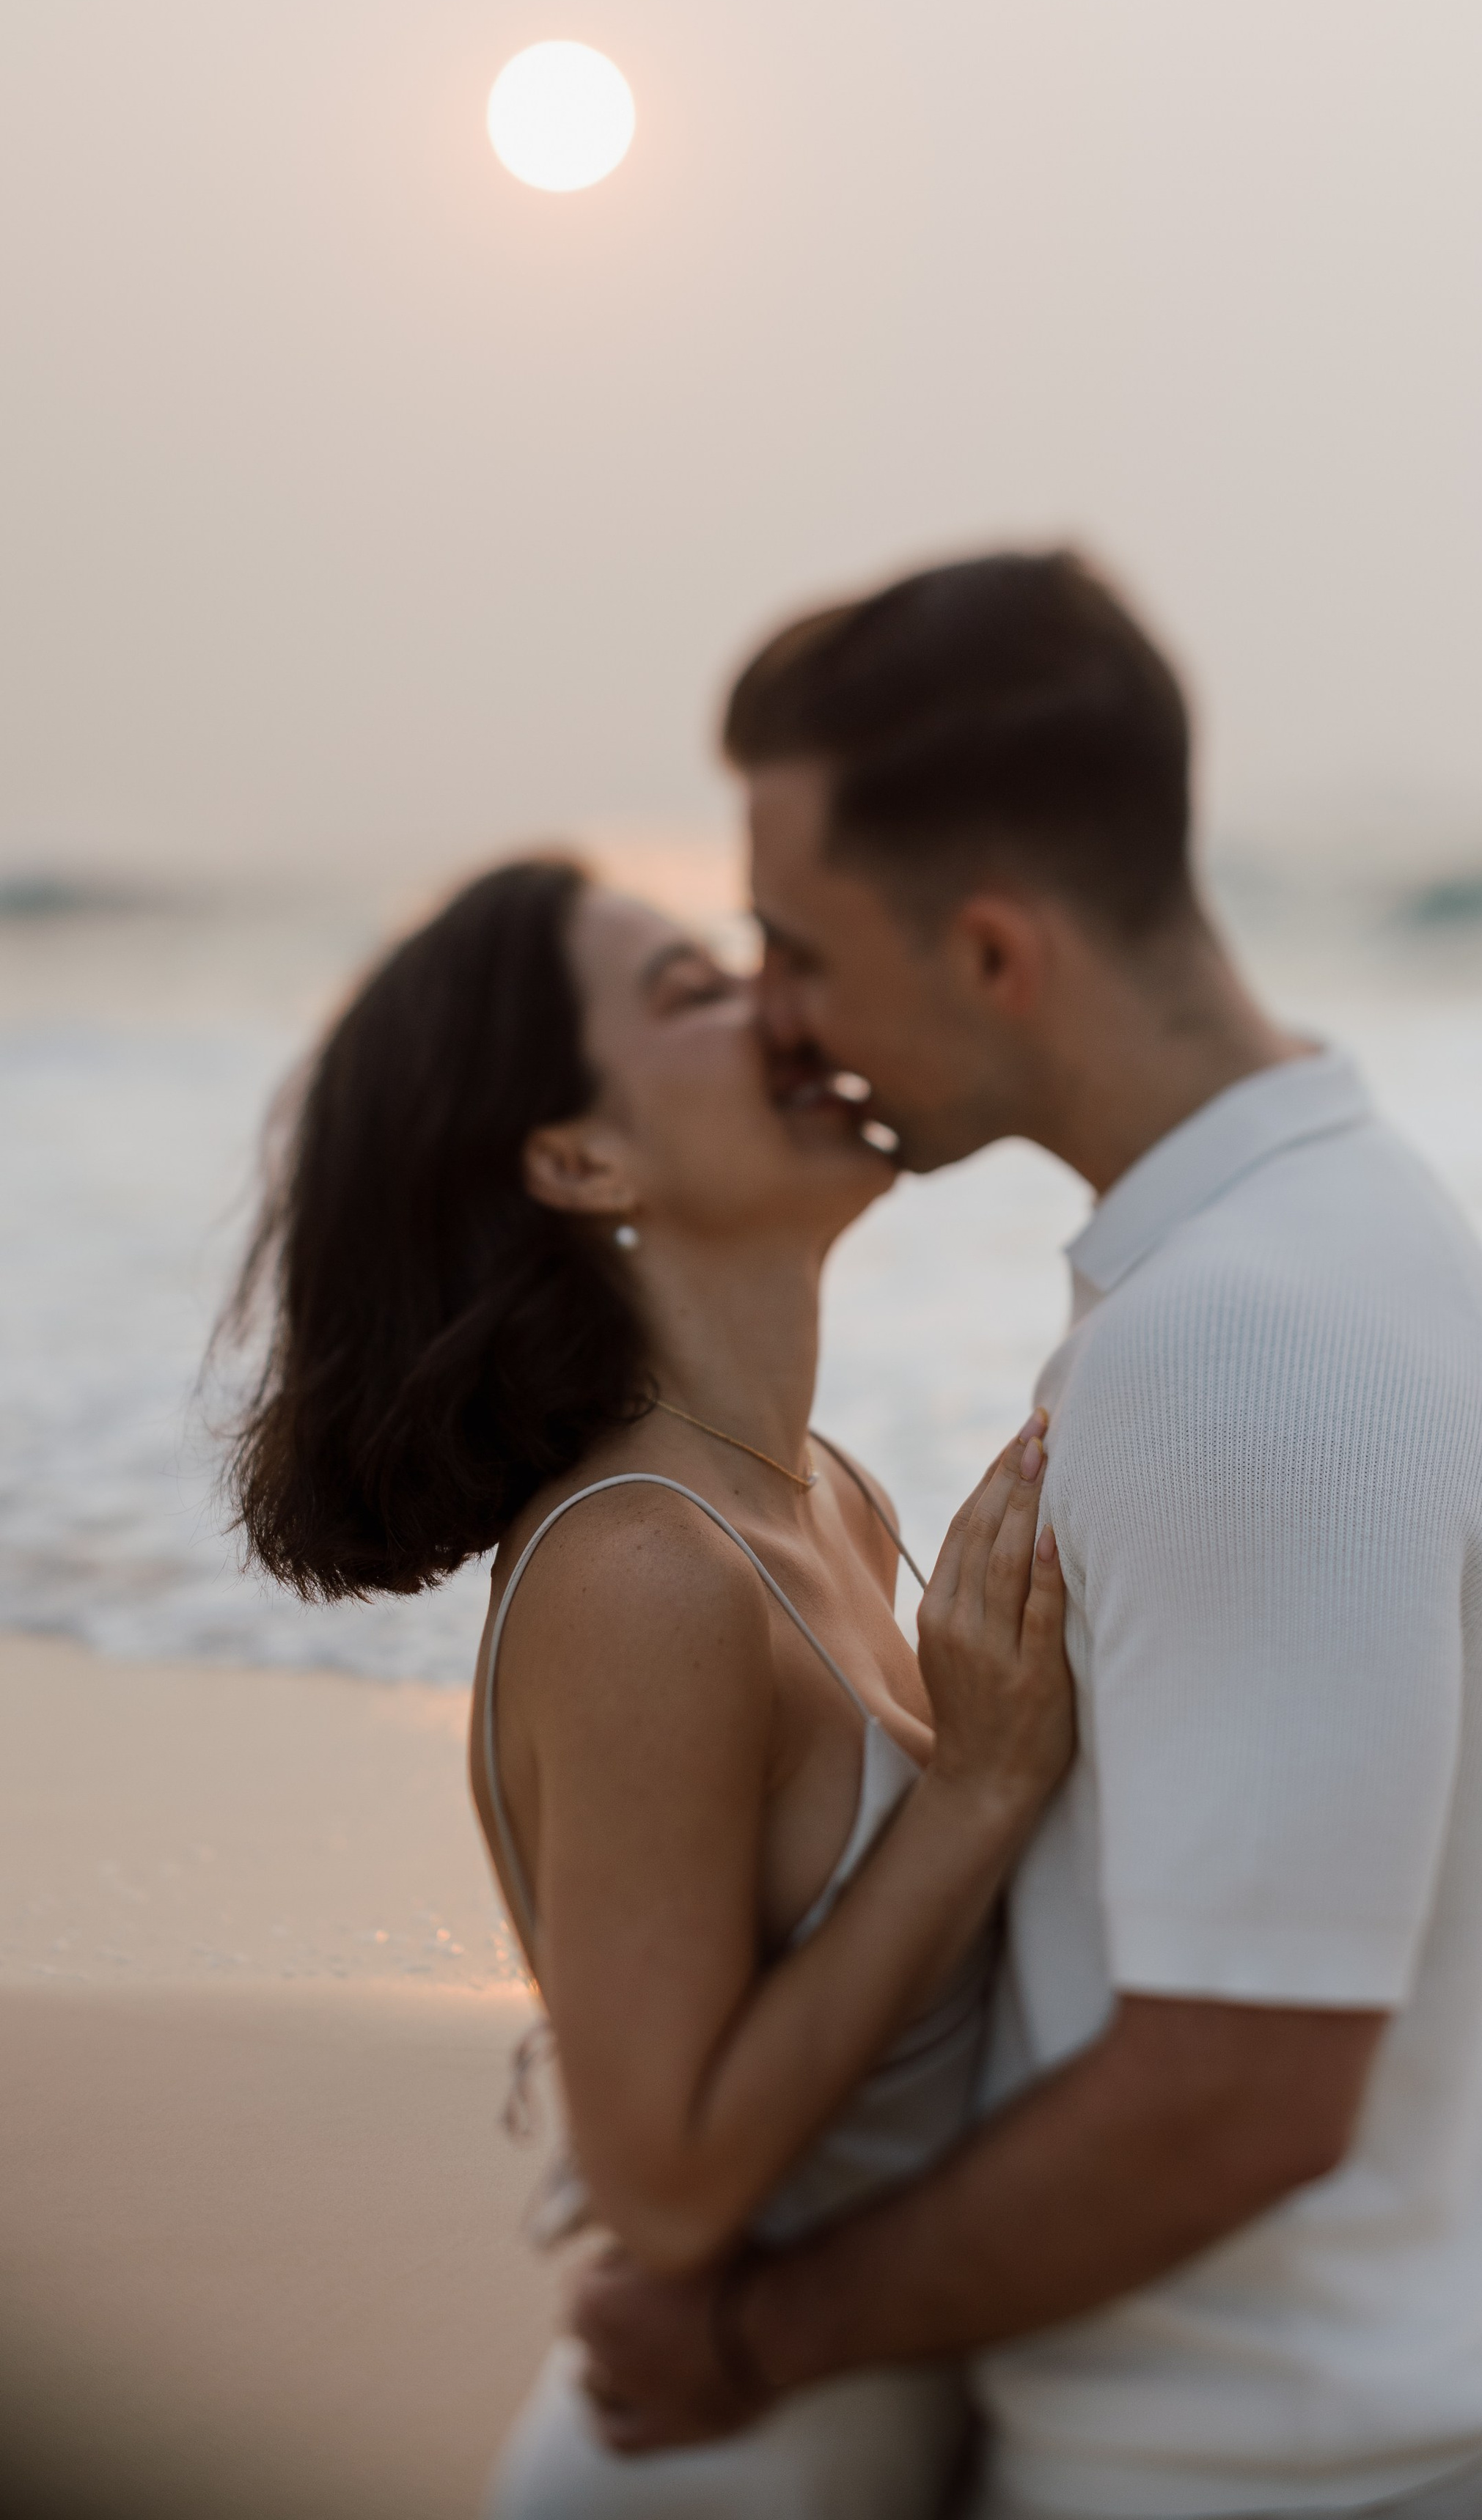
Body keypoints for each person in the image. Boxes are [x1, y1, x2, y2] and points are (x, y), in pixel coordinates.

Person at [573, 551, 1482, 2520]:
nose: (784, 1020)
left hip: (1257, 2478)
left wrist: (757, 2336)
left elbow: (1235, 2101)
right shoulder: (1319, 1226)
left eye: (798, 949)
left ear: (994, 956)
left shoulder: (1239, 1349)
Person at [224, 855, 1076, 2519]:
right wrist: (975, 1790)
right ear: (578, 1153)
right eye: (693, 992)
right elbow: (667, 2188)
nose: (778, 1003)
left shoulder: (826, 1494)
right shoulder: (642, 1577)